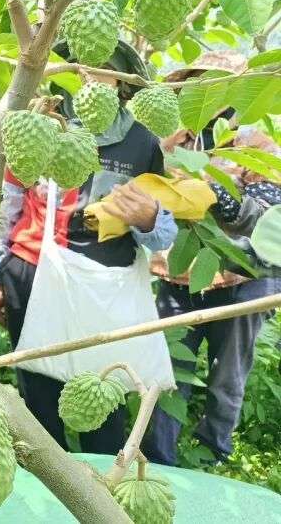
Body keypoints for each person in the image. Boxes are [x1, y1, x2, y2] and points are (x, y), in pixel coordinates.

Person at [0, 40, 178, 454]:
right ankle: (49, 477)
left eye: (103, 67)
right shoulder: (42, 125)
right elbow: (10, 204)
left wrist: (149, 219)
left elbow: (163, 233)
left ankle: (100, 483)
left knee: (103, 401)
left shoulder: (143, 142)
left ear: (122, 81)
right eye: (81, 65)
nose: (90, 74)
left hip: (104, 283)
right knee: (38, 394)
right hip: (33, 269)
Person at [142, 51, 281, 466]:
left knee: (228, 374)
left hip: (242, 279)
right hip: (178, 276)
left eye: (217, 83)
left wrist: (212, 190)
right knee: (167, 371)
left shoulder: (256, 145)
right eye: (199, 82)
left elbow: (265, 218)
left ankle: (211, 454)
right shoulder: (169, 143)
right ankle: (158, 459)